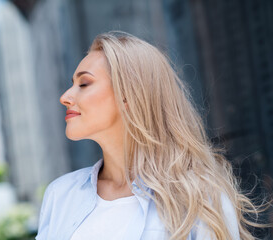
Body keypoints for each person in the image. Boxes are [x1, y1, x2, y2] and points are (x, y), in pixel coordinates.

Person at [36, 31, 263, 240]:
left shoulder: (200, 198)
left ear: (128, 94)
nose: (65, 97)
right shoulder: (60, 195)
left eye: (84, 84)